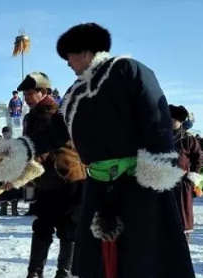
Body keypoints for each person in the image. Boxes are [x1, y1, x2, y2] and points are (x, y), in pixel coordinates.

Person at [56, 22, 194, 278]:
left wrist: (156, 172)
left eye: (69, 56)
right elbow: (55, 130)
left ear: (85, 52)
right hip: (97, 185)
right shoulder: (75, 93)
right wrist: (21, 150)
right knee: (96, 261)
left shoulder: (127, 69)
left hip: (137, 184)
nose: (67, 63)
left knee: (141, 256)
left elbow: (155, 116)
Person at [17, 71, 86, 278]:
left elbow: (42, 149)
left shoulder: (53, 113)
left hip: (68, 179)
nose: (27, 98)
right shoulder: (32, 116)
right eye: (25, 95)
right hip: (46, 182)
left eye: (31, 94)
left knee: (68, 230)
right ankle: (35, 273)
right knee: (42, 227)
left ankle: (64, 274)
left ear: (43, 92)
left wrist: (20, 174)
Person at [169, 104, 203, 243]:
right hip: (163, 183)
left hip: (182, 185)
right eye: (169, 118)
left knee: (183, 216)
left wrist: (192, 177)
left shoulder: (188, 139)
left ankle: (183, 246)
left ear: (180, 121)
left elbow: (198, 157)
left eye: (174, 120)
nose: (171, 122)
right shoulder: (161, 137)